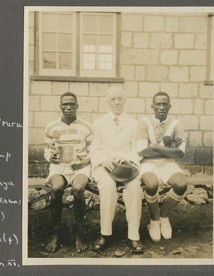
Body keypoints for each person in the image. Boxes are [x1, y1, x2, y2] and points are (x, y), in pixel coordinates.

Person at [90, 86, 144, 254]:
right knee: (107, 186)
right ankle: (105, 234)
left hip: (126, 167)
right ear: (107, 102)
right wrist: (104, 160)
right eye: (113, 99)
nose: (117, 102)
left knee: (135, 187)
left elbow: (137, 149)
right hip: (105, 166)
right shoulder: (98, 123)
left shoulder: (134, 124)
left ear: (125, 100)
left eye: (119, 98)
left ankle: (134, 236)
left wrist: (127, 158)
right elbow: (94, 148)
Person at [44, 92, 93, 253]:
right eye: (65, 104)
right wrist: (51, 157)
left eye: (72, 104)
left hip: (80, 167)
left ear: (77, 106)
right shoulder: (51, 127)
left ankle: (79, 233)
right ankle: (56, 233)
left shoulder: (86, 127)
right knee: (56, 188)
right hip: (60, 168)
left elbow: (93, 150)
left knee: (78, 188)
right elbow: (47, 151)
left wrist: (87, 161)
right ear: (60, 107)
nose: (68, 107)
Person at [136, 91, 187, 242]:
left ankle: (163, 216)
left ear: (169, 106)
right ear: (152, 106)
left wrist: (155, 147)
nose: (161, 107)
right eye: (158, 104)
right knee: (151, 184)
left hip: (167, 163)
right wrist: (168, 148)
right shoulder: (144, 122)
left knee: (181, 183)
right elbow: (142, 151)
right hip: (147, 163)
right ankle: (154, 220)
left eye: (165, 104)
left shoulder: (175, 124)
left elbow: (180, 153)